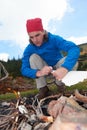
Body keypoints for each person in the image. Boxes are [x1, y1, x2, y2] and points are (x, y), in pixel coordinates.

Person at [21, 18, 80, 99]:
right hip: (45, 70)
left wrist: (64, 68)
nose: (35, 40)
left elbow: (74, 48)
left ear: (43, 31)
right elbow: (24, 69)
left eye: (37, 35)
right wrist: (39, 72)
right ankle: (43, 89)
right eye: (31, 37)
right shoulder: (29, 49)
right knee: (33, 57)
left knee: (74, 61)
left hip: (59, 66)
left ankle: (60, 84)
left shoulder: (54, 39)